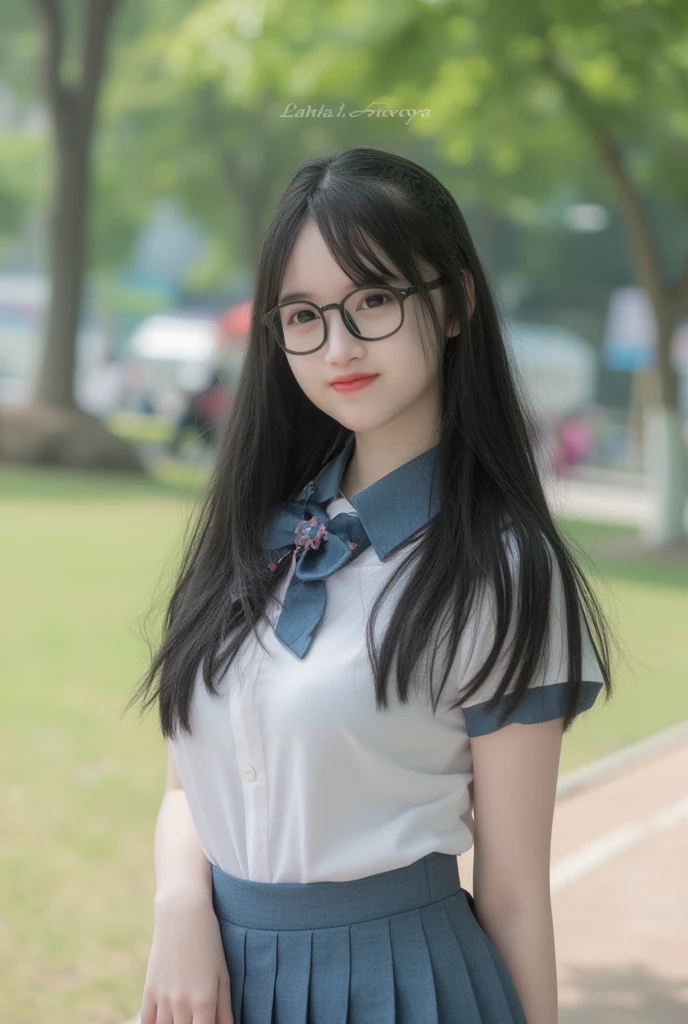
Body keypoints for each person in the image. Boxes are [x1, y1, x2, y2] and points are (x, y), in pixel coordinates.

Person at [126, 147, 617, 1023]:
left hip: (400, 989)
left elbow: (512, 891)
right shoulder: (250, 534)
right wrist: (179, 909)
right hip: (215, 984)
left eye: (375, 301)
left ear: (458, 302)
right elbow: (184, 788)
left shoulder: (497, 569)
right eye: (304, 315)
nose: (338, 346)